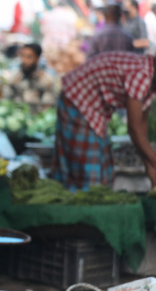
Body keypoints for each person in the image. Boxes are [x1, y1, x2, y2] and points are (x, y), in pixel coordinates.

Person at [52, 51, 156, 191]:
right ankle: (85, 209)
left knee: (104, 169)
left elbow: (141, 126)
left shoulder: (151, 79)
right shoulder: (142, 75)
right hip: (77, 98)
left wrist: (150, 167)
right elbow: (134, 129)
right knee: (88, 173)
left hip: (95, 107)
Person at [2, 43, 58, 113]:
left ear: (37, 58)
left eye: (29, 57)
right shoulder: (14, 78)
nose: (24, 60)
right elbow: (7, 100)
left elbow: (48, 105)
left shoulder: (46, 81)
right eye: (22, 56)